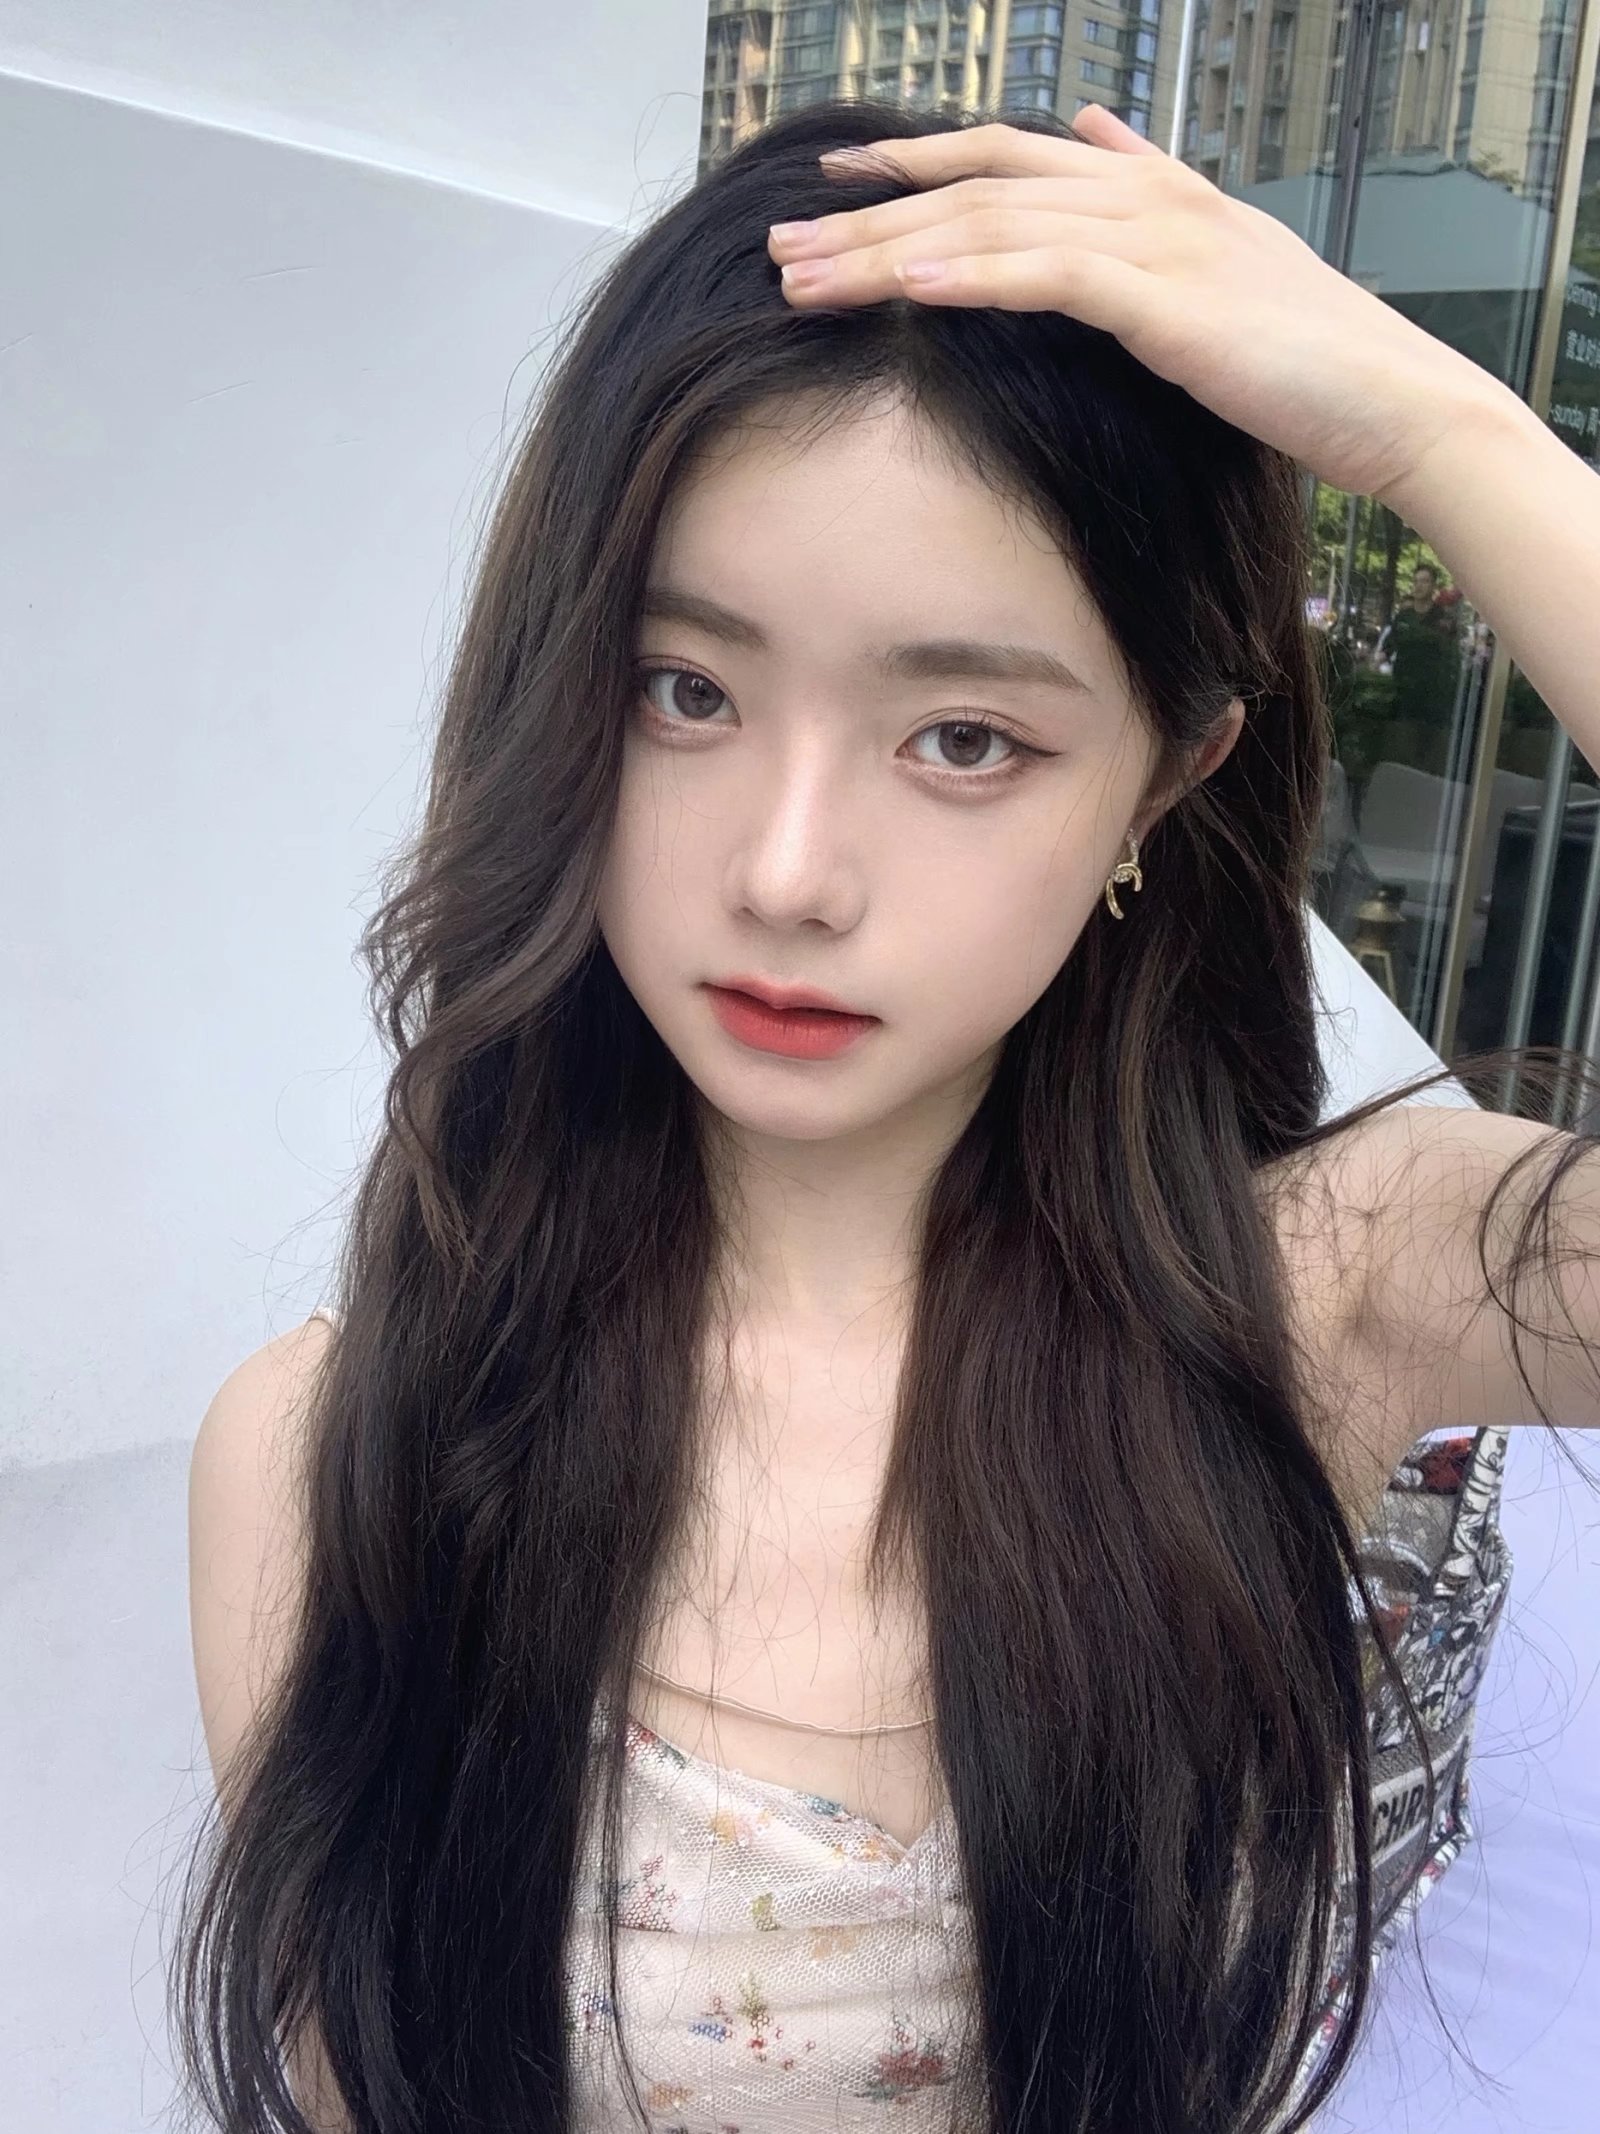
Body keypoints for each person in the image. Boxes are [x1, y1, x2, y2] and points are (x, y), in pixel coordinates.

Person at [174, 100, 1600, 2134]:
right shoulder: (332, 1448)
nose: (786, 870)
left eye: (962, 737)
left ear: (1165, 773)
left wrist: (1442, 436)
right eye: (685, 689)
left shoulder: (1312, 1297)